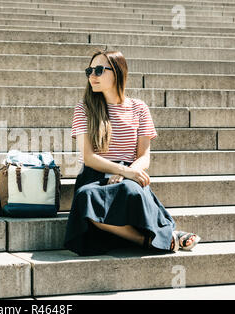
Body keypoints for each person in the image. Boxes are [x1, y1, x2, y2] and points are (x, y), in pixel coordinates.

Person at [64, 49, 201, 256]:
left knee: (132, 190)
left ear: (118, 72)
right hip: (96, 175)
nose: (92, 75)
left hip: (130, 173)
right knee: (85, 200)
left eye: (99, 70)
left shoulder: (139, 108)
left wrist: (127, 172)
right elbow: (89, 157)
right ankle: (149, 239)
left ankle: (163, 234)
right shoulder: (84, 108)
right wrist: (122, 171)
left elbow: (144, 156)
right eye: (89, 70)